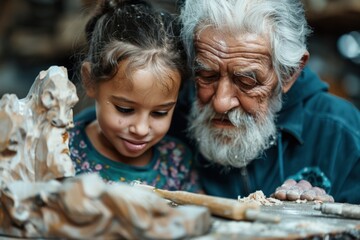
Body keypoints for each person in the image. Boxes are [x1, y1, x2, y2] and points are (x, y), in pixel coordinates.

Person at [171, 0, 360, 203]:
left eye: (246, 81)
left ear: (289, 73)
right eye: (207, 76)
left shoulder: (341, 133)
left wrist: (321, 223)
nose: (221, 103)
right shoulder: (164, 117)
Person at [69, 0, 200, 192]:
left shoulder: (176, 163)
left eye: (160, 113)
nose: (140, 129)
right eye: (125, 109)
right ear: (90, 81)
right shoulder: (64, 152)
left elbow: (200, 215)